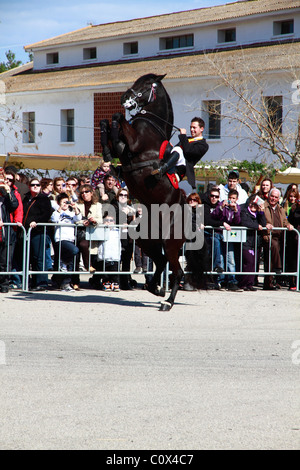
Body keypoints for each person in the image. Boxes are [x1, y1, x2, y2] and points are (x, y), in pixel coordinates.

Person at [152, 117, 209, 190]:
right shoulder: (187, 139)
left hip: (182, 166)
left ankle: (163, 169)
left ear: (201, 129)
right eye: (191, 127)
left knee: (178, 149)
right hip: (175, 160)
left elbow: (188, 150)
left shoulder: (203, 145)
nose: (191, 130)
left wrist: (183, 135)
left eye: (194, 128)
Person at [22, 178, 53, 291]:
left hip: (39, 232)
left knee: (40, 258)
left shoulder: (43, 199)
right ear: (29, 186)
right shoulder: (26, 199)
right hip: (27, 232)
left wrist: (37, 222)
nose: (35, 186)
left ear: (41, 187)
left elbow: (46, 214)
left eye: (37, 185)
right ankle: (33, 282)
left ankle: (42, 283)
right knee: (31, 258)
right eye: (33, 185)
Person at [72, 184, 103, 290]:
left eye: (86, 192)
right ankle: (76, 281)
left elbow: (100, 219)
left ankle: (95, 280)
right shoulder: (77, 204)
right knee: (76, 256)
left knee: (96, 258)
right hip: (78, 233)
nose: (84, 194)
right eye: (82, 192)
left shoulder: (97, 205)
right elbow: (74, 219)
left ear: (91, 193)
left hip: (92, 233)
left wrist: (94, 221)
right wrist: (82, 222)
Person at [211, 188, 243, 291]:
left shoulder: (237, 207)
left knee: (230, 258)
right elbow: (214, 216)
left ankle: (231, 280)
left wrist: (235, 211)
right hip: (219, 233)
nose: (231, 200)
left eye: (233, 198)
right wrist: (221, 207)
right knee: (220, 258)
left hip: (230, 235)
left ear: (237, 199)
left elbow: (237, 222)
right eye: (229, 198)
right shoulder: (221, 204)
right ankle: (221, 280)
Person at [263, 187, 294, 290]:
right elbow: (259, 218)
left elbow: (285, 221)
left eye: (276, 197)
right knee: (272, 253)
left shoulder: (280, 209)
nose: (273, 199)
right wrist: (265, 224)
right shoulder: (263, 206)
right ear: (268, 196)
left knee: (273, 258)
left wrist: (289, 225)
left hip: (280, 237)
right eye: (272, 196)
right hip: (268, 236)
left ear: (278, 198)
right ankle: (278, 267)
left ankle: (272, 282)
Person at [51, 193, 82, 292]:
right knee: (75, 250)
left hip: (70, 239)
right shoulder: (57, 212)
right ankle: (63, 266)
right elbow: (54, 219)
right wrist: (60, 208)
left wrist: (75, 207)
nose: (65, 204)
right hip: (60, 239)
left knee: (70, 262)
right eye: (63, 202)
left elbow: (78, 218)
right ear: (58, 203)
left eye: (67, 202)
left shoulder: (71, 213)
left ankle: (66, 283)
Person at [239, 195, 266, 291]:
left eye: (255, 204)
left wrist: (262, 211)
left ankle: (250, 284)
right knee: (248, 262)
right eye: (252, 203)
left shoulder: (258, 214)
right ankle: (243, 283)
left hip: (256, 242)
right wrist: (256, 226)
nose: (253, 206)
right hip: (246, 241)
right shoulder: (244, 211)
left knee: (254, 263)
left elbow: (263, 224)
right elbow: (244, 222)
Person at [111, 188, 136, 290]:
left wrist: (133, 216)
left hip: (128, 237)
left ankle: (125, 283)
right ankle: (115, 281)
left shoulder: (131, 208)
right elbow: (111, 220)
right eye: (121, 194)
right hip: (116, 236)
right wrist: (123, 214)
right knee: (117, 260)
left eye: (125, 195)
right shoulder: (113, 207)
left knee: (126, 260)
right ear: (117, 196)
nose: (123, 197)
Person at [0, 169, 19, 293]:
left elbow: (14, 206)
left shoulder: (7, 192)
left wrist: (7, 192)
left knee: (4, 260)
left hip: (5, 232)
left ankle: (4, 284)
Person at [202, 186, 224, 288]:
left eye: (216, 196)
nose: (214, 198)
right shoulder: (204, 205)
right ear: (209, 196)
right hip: (206, 234)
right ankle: (214, 269)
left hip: (219, 234)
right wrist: (221, 223)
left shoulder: (221, 205)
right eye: (212, 196)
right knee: (214, 243)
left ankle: (220, 280)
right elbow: (207, 221)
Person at [5, 170, 23, 289]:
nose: (8, 181)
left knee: (8, 256)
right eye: (6, 179)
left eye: (10, 180)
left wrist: (17, 222)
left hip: (9, 227)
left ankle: (8, 280)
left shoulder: (15, 192)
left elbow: (18, 209)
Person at [96, 212, 121, 291]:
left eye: (111, 220)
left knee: (115, 271)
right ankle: (106, 282)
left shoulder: (117, 230)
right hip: (104, 255)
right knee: (105, 272)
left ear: (114, 222)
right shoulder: (101, 230)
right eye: (107, 220)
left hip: (115, 256)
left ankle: (115, 282)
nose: (109, 222)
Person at [287, 197, 300, 290]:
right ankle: (293, 282)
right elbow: (290, 220)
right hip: (294, 237)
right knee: (293, 261)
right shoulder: (294, 209)